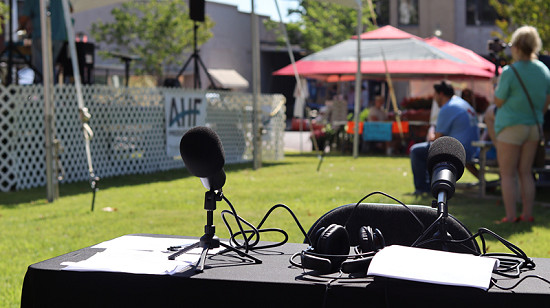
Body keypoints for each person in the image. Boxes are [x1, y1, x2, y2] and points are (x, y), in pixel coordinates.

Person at [493, 26, 550, 223]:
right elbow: (546, 102)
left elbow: (498, 101)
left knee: (507, 174)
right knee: (526, 172)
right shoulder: (544, 70)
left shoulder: (510, 71)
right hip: (533, 128)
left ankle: (510, 216)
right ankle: (527, 214)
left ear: (516, 46)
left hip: (510, 127)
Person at [409, 81, 479, 195]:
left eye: (435, 95)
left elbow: (436, 139)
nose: (434, 98)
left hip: (459, 150)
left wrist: (430, 132)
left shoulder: (448, 107)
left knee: (416, 151)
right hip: (473, 148)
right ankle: (485, 184)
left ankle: (423, 188)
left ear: (440, 94)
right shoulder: (462, 103)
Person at [19, 0, 71, 83]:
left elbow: (24, 17)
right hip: (59, 35)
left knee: (41, 69)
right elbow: (70, 9)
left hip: (41, 35)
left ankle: (43, 91)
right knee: (50, 66)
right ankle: (50, 89)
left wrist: (22, 25)